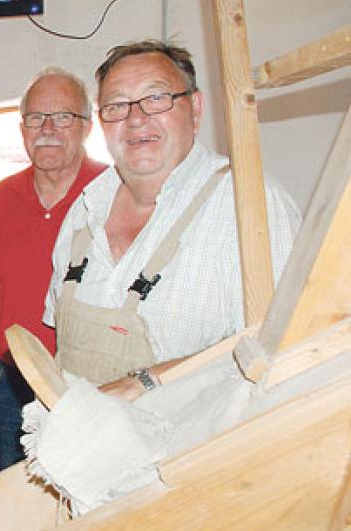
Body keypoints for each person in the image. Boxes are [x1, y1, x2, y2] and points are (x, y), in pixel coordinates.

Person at [43, 40, 301, 400]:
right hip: (81, 446)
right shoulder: (83, 212)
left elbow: (286, 354)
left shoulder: (250, 205)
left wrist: (147, 380)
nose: (136, 118)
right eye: (117, 105)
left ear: (195, 108)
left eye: (157, 98)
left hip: (196, 449)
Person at [0, 67, 107, 470]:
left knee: (82, 496)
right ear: (22, 128)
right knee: (14, 496)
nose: (47, 128)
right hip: (9, 384)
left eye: (63, 116)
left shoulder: (113, 192)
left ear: (87, 126)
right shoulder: (2, 196)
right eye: (35, 118)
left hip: (86, 384)